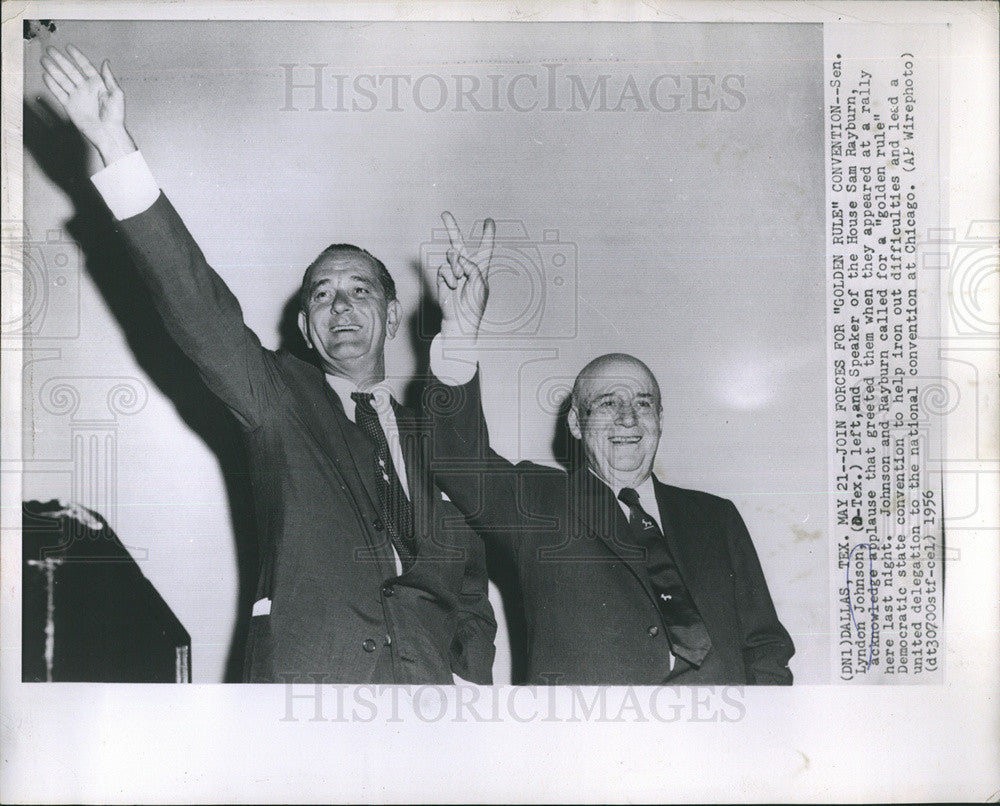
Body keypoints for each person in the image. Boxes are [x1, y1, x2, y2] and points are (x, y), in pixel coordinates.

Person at [39, 45, 497, 684]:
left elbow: (469, 571)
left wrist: (472, 680)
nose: (341, 305)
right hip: (305, 691)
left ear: (393, 317)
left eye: (361, 290)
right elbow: (198, 306)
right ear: (307, 329)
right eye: (322, 295)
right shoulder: (276, 397)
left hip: (434, 706)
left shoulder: (435, 437)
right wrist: (116, 150)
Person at [426, 212, 795, 686]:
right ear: (577, 425)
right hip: (593, 746)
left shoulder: (716, 518)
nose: (628, 417)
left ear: (660, 420)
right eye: (607, 403)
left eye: (643, 403)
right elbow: (460, 463)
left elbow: (764, 646)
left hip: (715, 747)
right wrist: (459, 335)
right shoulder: (540, 505)